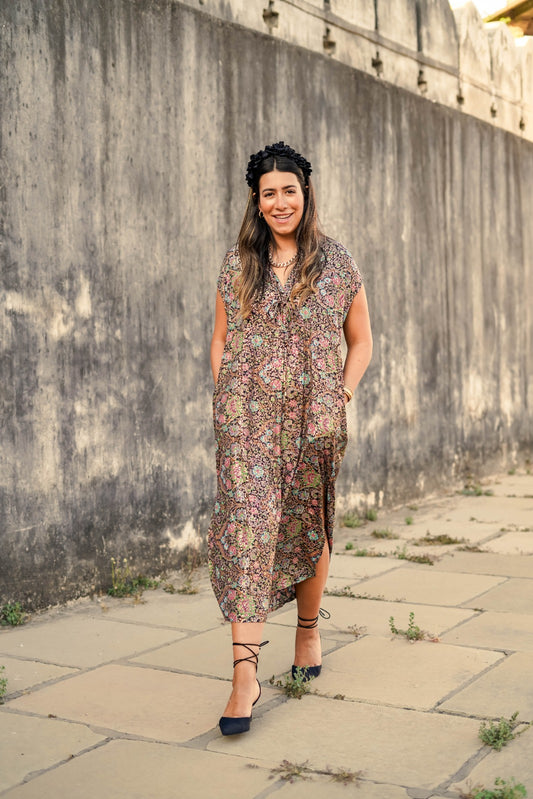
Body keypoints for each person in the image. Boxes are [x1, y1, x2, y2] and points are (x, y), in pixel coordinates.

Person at [209, 141, 372, 735]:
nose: (280, 203)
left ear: (306, 194)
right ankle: (244, 677)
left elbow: (362, 341)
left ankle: (307, 632)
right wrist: (228, 403)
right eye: (268, 193)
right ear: (255, 200)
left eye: (290, 191)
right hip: (247, 425)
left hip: (313, 423)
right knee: (247, 533)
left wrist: (340, 394)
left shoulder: (337, 263)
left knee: (307, 524)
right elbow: (221, 341)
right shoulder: (237, 265)